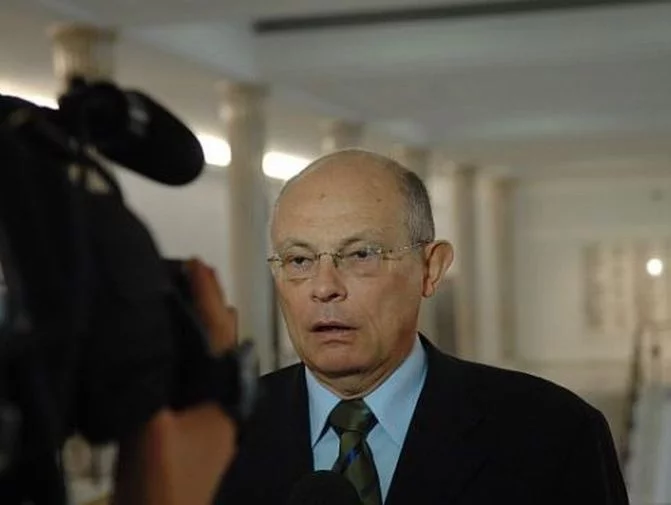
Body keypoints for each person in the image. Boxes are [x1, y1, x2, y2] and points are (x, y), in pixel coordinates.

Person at [215, 149, 628, 505]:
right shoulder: (214, 436)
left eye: (361, 255)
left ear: (431, 269)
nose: (324, 288)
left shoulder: (555, 433)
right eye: (299, 260)